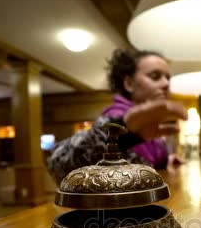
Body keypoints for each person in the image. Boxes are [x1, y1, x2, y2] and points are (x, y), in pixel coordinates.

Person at [47, 49, 188, 184]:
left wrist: (167, 159)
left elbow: (151, 164)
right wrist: (121, 134)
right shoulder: (115, 118)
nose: (166, 83)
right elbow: (58, 164)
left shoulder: (152, 123)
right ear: (129, 84)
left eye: (168, 78)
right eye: (155, 76)